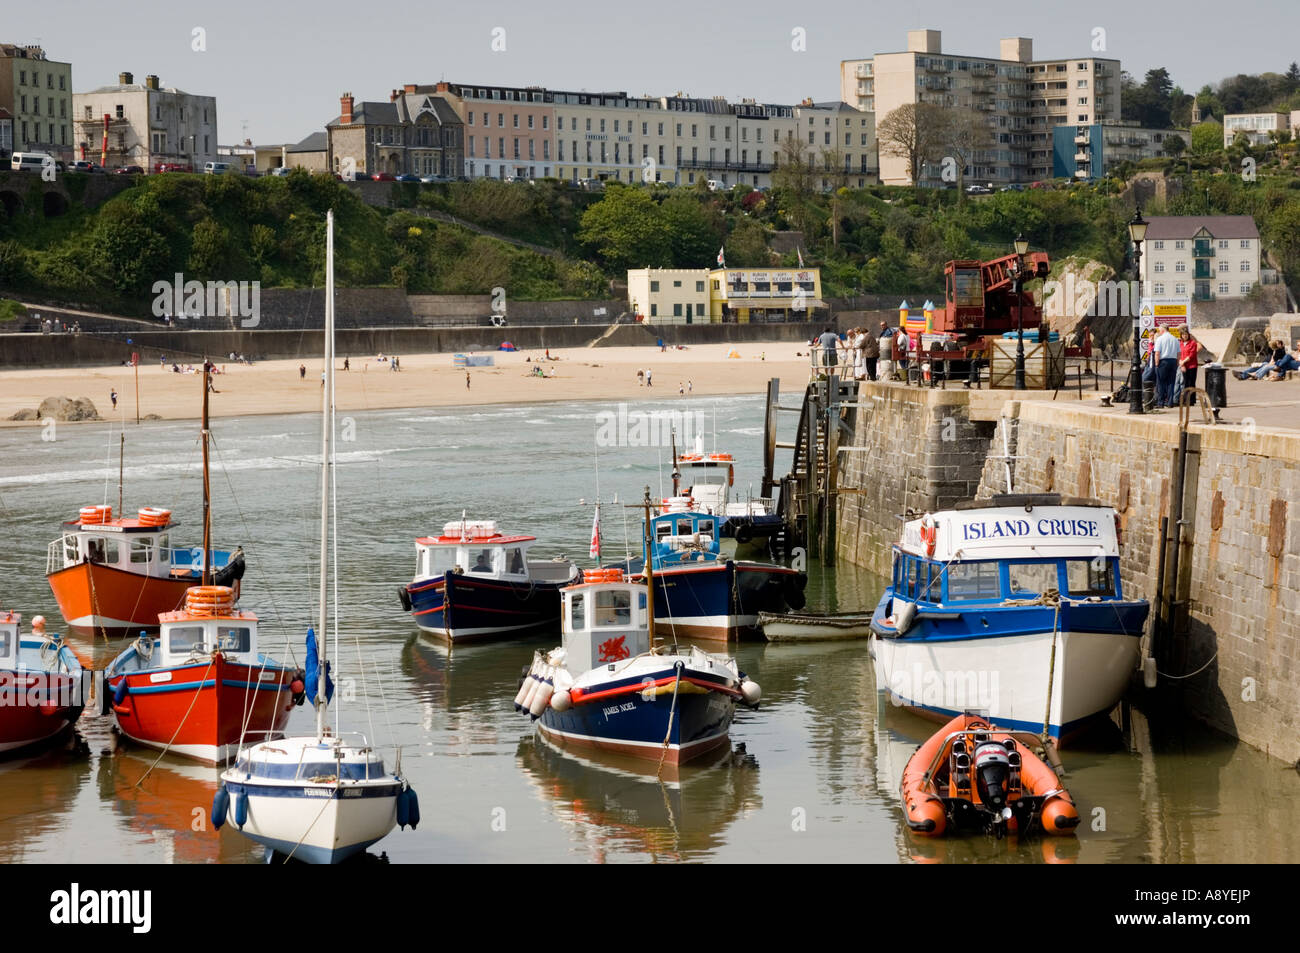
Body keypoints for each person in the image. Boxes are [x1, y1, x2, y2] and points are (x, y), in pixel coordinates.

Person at [1153, 325, 1180, 407]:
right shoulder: (1175, 339)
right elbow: (1179, 353)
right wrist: (1177, 363)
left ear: (1163, 330)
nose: (1159, 332)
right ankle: (1170, 402)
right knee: (1171, 382)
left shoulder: (1160, 339)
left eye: (1160, 330)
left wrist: (1157, 364)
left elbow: (1157, 353)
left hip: (1163, 361)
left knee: (1161, 382)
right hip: (1173, 361)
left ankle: (1160, 402)